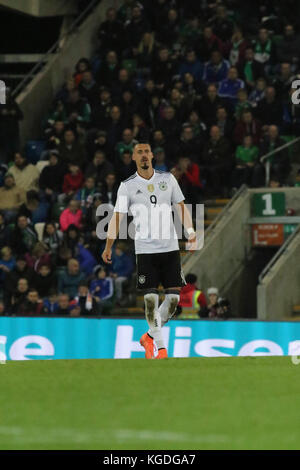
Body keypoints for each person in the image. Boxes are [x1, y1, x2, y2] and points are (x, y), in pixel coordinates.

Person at [101, 141, 197, 359]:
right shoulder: (127, 186)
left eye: (146, 152)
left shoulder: (167, 179)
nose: (144, 155)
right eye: (139, 152)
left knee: (172, 302)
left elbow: (181, 207)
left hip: (170, 248)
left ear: (152, 155)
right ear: (133, 158)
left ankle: (149, 336)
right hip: (145, 250)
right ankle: (161, 349)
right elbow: (117, 218)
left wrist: (191, 232)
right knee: (151, 300)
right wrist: (108, 245)